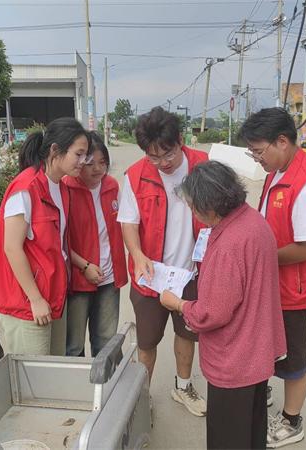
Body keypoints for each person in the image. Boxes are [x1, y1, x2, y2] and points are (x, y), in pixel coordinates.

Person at [160, 161, 287, 450]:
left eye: (194, 207)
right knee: (251, 433)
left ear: (211, 206)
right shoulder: (253, 221)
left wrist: (178, 304)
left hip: (234, 360)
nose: (192, 213)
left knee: (227, 438)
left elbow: (213, 312)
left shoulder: (229, 243)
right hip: (255, 352)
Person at [240, 107, 306, 448]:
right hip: (274, 283)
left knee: (294, 354)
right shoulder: (278, 170)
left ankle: (292, 421)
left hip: (294, 289)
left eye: (259, 151)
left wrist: (260, 257)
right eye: (252, 152)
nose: (257, 159)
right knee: (268, 343)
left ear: (283, 141)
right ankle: (264, 387)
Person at [117, 106, 208, 417]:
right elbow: (128, 222)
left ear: (180, 140)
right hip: (150, 275)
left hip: (192, 273)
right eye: (153, 157)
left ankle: (183, 387)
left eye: (167, 154)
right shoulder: (136, 175)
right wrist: (138, 255)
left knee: (187, 333)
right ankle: (142, 396)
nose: (161, 163)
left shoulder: (203, 167)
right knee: (147, 341)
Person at [0, 118, 92, 356]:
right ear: (55, 150)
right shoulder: (26, 188)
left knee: (52, 371)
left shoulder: (61, 187)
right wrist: (35, 298)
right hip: (27, 303)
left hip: (53, 297)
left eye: (86, 156)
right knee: (31, 380)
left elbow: (56, 246)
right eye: (79, 154)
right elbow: (11, 248)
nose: (83, 162)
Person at [64, 132, 128, 357]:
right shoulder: (66, 188)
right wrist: (84, 266)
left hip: (109, 278)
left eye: (103, 163)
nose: (97, 169)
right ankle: (77, 390)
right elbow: (59, 239)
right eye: (90, 163)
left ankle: (106, 390)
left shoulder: (111, 186)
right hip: (78, 279)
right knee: (73, 345)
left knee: (106, 341)